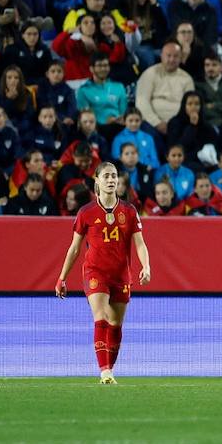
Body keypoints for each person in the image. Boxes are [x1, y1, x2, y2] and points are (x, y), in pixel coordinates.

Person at [54, 163, 154, 384]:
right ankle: (105, 371)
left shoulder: (128, 211)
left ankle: (110, 370)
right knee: (100, 317)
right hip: (95, 271)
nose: (111, 180)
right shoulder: (86, 212)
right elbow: (75, 248)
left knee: (116, 324)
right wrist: (62, 277)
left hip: (121, 275)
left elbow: (140, 244)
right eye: (106, 176)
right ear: (96, 181)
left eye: (114, 176)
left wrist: (146, 266)